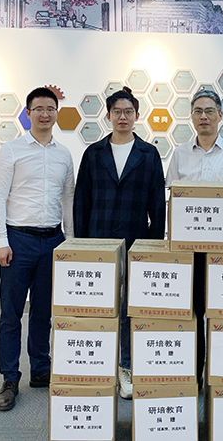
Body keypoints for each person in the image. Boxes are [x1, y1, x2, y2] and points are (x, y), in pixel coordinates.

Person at [73, 86, 165, 399]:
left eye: (128, 112)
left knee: (129, 308)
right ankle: (96, 365)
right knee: (96, 304)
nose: (122, 117)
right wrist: (81, 245)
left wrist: (153, 246)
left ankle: (125, 366)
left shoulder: (148, 154)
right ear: (108, 116)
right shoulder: (93, 153)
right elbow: (81, 201)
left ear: (136, 115)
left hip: (135, 241)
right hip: (98, 241)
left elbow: (158, 205)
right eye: (116, 112)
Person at [166, 89, 223, 386]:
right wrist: (172, 243)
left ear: (220, 115)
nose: (203, 116)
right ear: (191, 117)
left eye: (208, 111)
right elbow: (173, 200)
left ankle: (222, 377)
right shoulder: (180, 153)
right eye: (197, 111)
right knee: (192, 311)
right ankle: (194, 375)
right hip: (187, 250)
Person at [0, 87, 74, 411]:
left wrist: (70, 240)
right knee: (11, 314)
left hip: (53, 240)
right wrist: (0, 242)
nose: (44, 114)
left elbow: (68, 198)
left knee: (43, 312)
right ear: (28, 114)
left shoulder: (63, 154)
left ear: (56, 113)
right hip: (18, 240)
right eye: (38, 109)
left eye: (50, 108)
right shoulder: (11, 150)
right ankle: (9, 378)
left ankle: (40, 370)